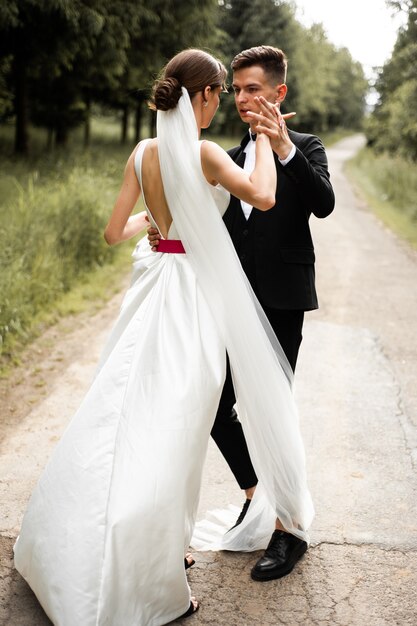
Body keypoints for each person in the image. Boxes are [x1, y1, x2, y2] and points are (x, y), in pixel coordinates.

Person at [13, 48, 313, 626]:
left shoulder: (142, 151)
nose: (221, 104)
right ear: (201, 96)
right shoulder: (201, 154)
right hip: (191, 300)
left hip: (151, 287)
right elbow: (265, 195)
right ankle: (155, 567)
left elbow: (110, 233)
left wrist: (154, 224)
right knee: (179, 430)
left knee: (129, 406)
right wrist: (264, 145)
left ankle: (145, 543)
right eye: (220, 94)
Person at [149, 45, 335, 581]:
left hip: (281, 299)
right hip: (228, 300)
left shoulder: (306, 147)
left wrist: (282, 148)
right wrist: (160, 224)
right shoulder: (225, 157)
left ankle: (288, 527)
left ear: (278, 93)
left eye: (255, 89)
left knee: (272, 409)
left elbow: (322, 203)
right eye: (238, 90)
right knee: (214, 404)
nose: (244, 99)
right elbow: (202, 216)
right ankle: (257, 495)